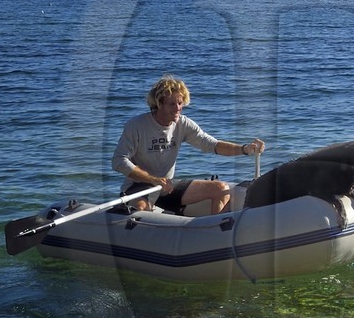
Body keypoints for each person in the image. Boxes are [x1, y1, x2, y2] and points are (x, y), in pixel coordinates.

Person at [111, 75, 264, 215]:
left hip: (167, 187)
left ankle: (217, 234)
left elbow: (211, 144)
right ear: (159, 104)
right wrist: (152, 179)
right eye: (172, 104)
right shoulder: (137, 125)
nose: (178, 108)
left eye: (180, 103)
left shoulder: (182, 123)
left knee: (220, 189)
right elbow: (119, 161)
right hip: (139, 187)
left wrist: (245, 149)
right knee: (140, 211)